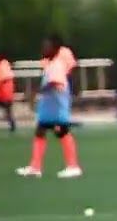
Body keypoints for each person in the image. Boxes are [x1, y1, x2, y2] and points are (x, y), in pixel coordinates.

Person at [16, 36, 82, 179]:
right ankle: (35, 166)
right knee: (41, 132)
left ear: (55, 49)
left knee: (62, 133)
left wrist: (36, 92)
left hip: (56, 108)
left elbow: (54, 83)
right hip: (49, 108)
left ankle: (73, 166)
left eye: (46, 46)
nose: (43, 49)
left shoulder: (57, 64)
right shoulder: (51, 63)